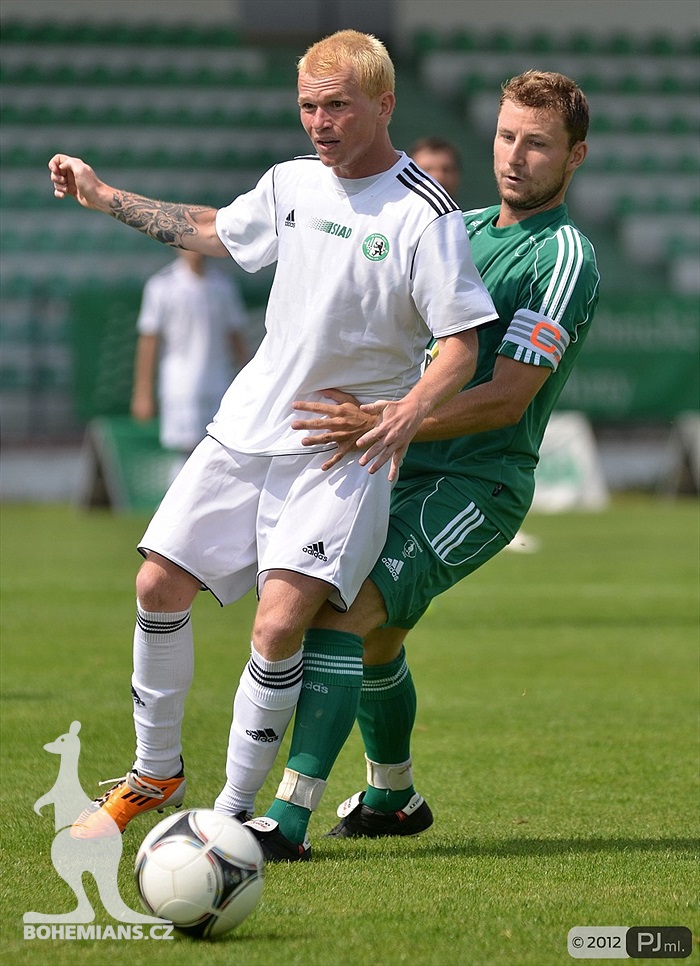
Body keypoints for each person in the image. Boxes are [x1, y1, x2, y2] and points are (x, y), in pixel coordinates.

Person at [48, 30, 497, 849]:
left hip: (340, 448)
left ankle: (229, 816)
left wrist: (407, 411)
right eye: (308, 106)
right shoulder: (290, 182)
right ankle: (155, 774)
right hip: (249, 426)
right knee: (156, 587)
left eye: (337, 106)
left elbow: (461, 345)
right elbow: (217, 231)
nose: (319, 123)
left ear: (384, 105)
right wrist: (106, 195)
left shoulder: (423, 213)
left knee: (278, 625)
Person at [238, 70, 600, 858]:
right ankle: (392, 796)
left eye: (538, 144)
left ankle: (289, 818)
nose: (515, 156)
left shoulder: (565, 257)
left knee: (342, 614)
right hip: (400, 461)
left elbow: (507, 399)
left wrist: (387, 421)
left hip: (479, 483)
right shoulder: (460, 228)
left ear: (574, 157)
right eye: (507, 136)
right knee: (377, 639)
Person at [131, 249, 250, 454]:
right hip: (180, 388)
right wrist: (142, 393)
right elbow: (149, 341)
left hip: (219, 386)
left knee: (220, 451)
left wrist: (250, 385)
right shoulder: (161, 286)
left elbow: (235, 337)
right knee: (184, 454)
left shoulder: (223, 286)